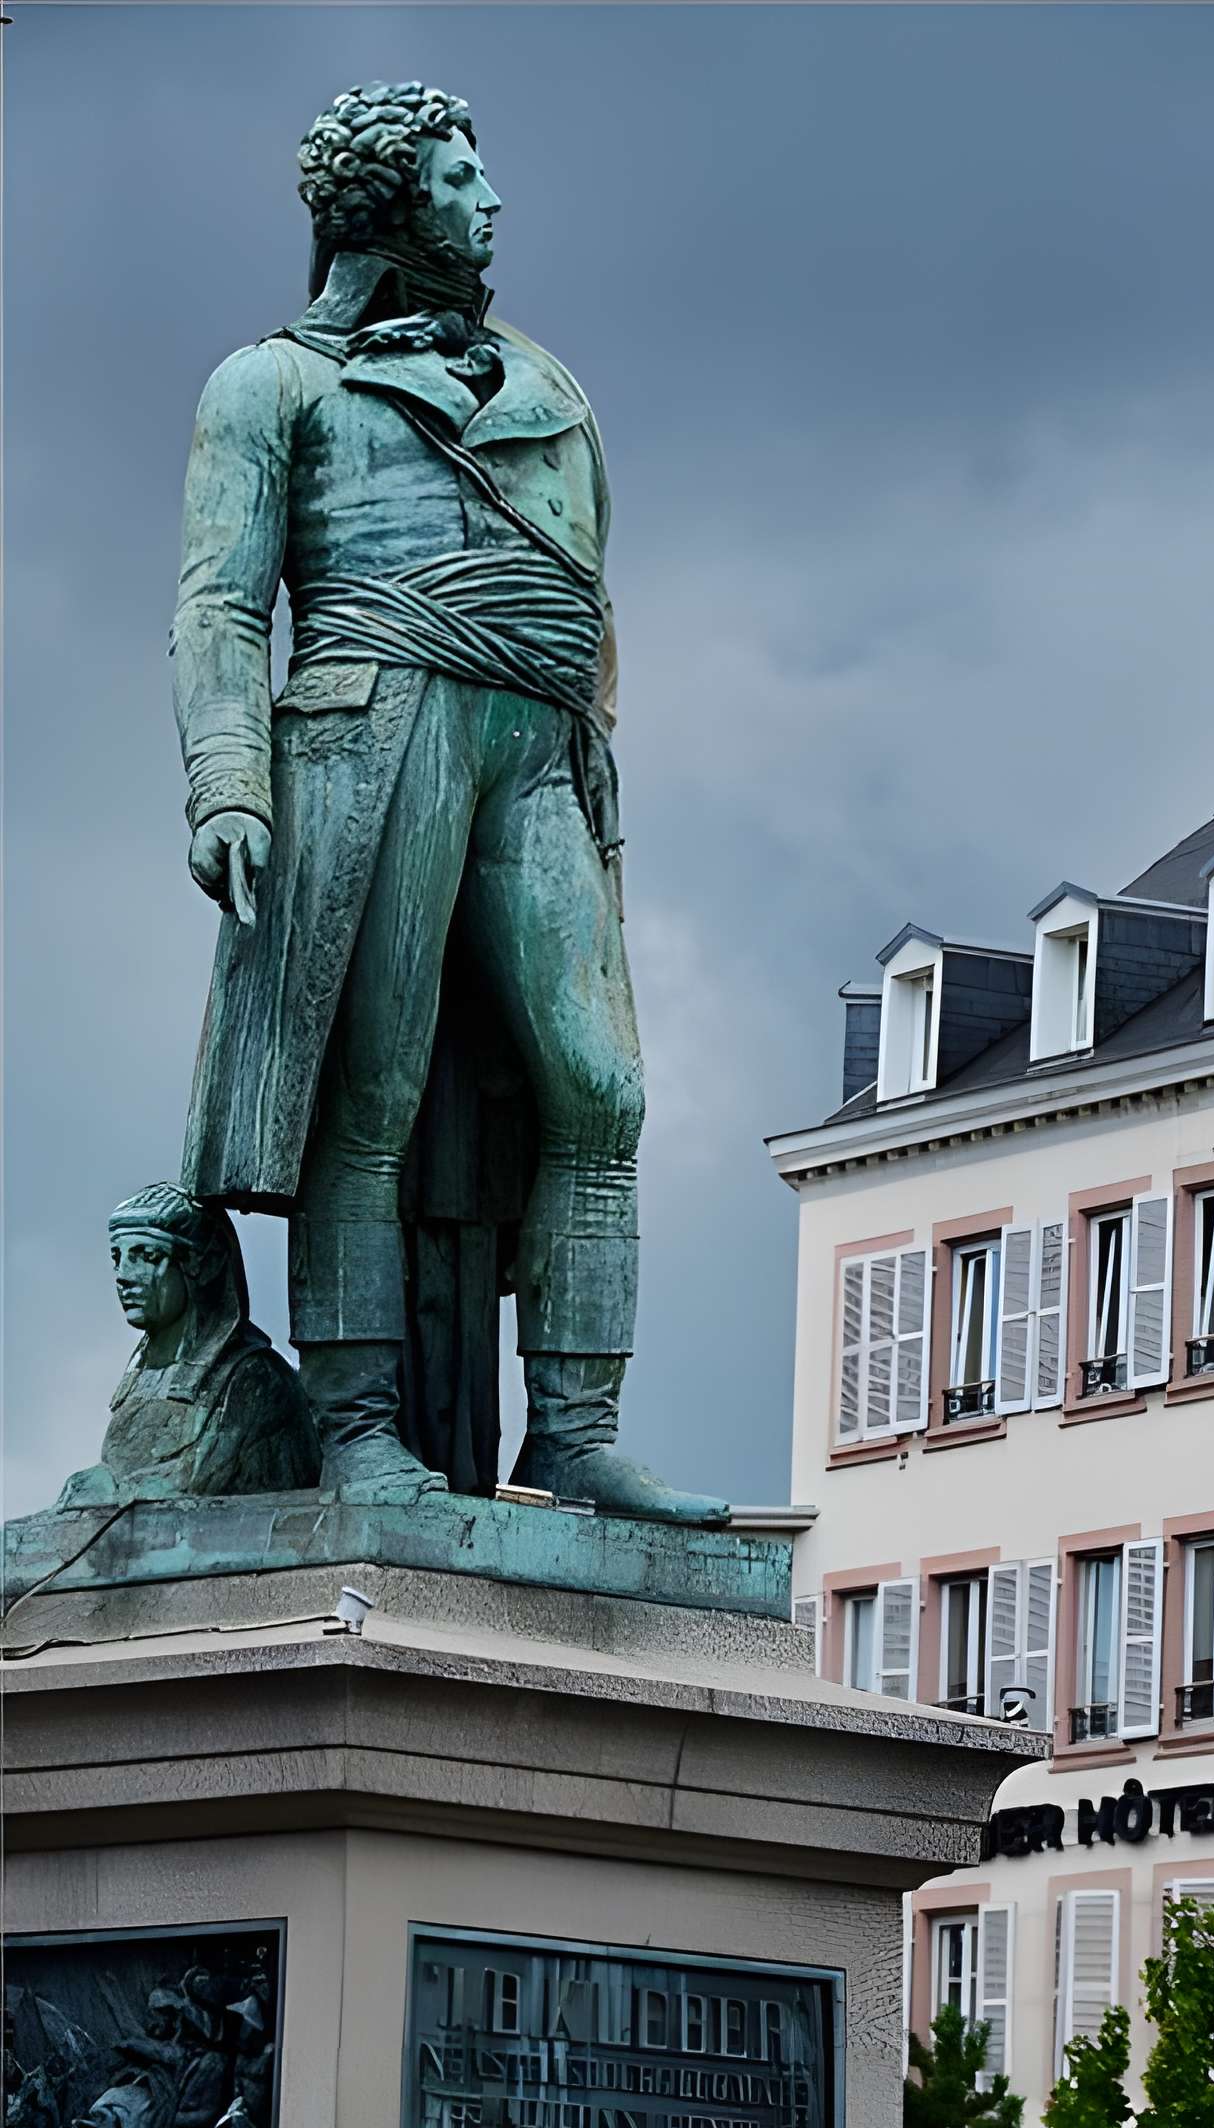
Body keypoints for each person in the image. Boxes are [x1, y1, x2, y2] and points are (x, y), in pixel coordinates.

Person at [173, 80, 726, 1522]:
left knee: (601, 1089)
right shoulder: (270, 383)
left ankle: (576, 1428)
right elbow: (220, 605)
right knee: (372, 1096)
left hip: (536, 738)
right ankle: (357, 1427)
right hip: (372, 725)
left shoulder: (549, 381)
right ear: (389, 200)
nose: (489, 202)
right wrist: (228, 777)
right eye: (460, 175)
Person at [55, 1186, 319, 1507]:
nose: (122, 1275)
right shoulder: (139, 1379)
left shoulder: (255, 1377)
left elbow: (195, 1486)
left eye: (146, 1256)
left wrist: (102, 1487)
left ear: (199, 1266)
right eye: (117, 1257)